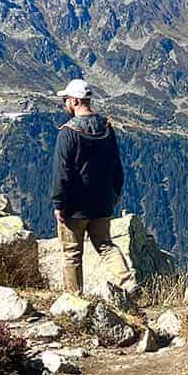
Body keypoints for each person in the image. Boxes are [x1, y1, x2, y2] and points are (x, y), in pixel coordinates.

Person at [50, 77, 134, 296]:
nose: (65, 104)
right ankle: (128, 283)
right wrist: (116, 192)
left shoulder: (68, 133)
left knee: (72, 253)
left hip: (76, 206)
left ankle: (74, 298)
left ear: (75, 101)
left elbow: (62, 172)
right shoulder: (106, 127)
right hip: (102, 201)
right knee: (106, 246)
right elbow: (116, 163)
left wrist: (59, 203)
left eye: (66, 99)